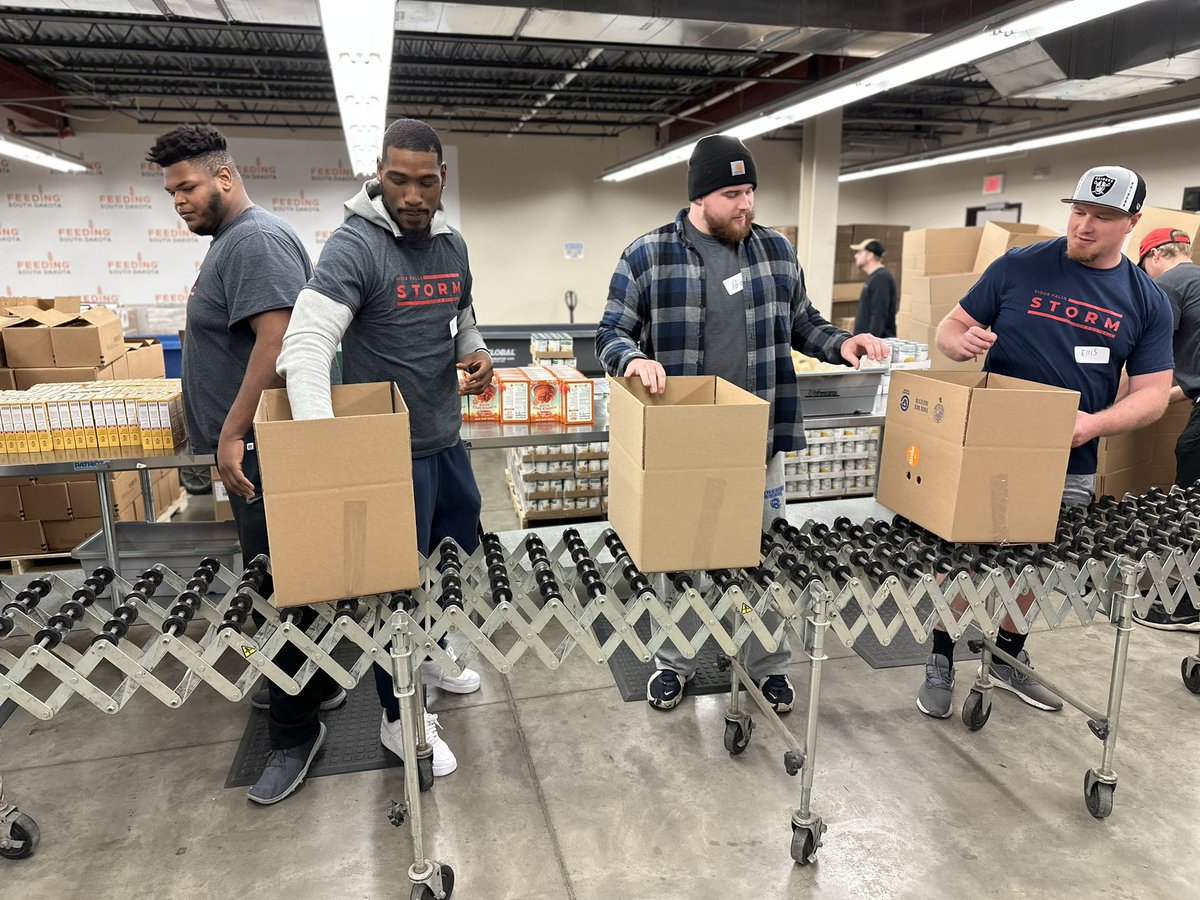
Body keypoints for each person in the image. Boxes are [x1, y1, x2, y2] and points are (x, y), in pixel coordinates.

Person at [597, 133, 889, 713]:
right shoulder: (648, 254)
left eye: (750, 191)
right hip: (684, 441)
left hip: (759, 442)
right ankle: (673, 661)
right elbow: (610, 333)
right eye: (732, 193)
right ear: (700, 197)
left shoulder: (775, 251)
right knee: (681, 557)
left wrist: (844, 342)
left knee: (761, 555)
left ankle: (766, 665)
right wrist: (633, 358)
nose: (745, 204)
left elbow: (804, 323)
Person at [275, 118, 490, 779]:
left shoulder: (451, 244)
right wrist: (324, 448)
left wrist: (474, 351)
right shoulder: (355, 248)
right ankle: (401, 721)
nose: (413, 195)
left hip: (444, 442)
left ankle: (431, 655)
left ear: (442, 179)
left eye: (426, 181)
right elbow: (304, 346)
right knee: (389, 591)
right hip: (385, 456)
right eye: (398, 180)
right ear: (378, 173)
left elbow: (463, 315)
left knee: (451, 562)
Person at [924, 165, 1174, 717]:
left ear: (1132, 223)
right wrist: (959, 342)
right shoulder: (1020, 265)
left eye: (1102, 218)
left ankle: (1009, 658)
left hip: (1070, 459)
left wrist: (1091, 425)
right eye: (1079, 211)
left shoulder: (1147, 300)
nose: (1083, 226)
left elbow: (1154, 395)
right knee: (960, 559)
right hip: (984, 448)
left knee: (1033, 566)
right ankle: (941, 654)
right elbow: (948, 328)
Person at [146, 125, 347, 805]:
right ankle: (313, 683)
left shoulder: (255, 240)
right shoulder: (235, 242)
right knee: (281, 582)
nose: (179, 200)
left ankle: (296, 734)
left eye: (188, 187)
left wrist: (231, 432)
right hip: (249, 451)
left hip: (259, 451)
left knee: (284, 586)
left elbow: (279, 337)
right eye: (171, 190)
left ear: (225, 176)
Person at [1133, 227, 1200, 631]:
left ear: (1156, 255)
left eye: (1143, 268)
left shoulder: (1170, 284)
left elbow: (1148, 352)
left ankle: (1184, 602)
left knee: (1190, 499)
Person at [850, 238, 898, 338]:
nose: (856, 256)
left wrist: (870, 345)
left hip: (875, 347)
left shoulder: (881, 278)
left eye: (859, 252)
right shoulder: (875, 277)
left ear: (870, 255)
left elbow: (878, 315)